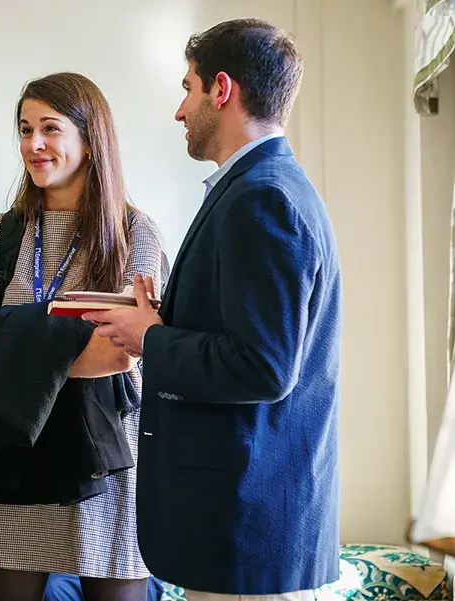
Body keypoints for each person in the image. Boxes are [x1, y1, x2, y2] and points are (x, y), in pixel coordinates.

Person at [84, 19, 341, 601]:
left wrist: (150, 338)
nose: (180, 111)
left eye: (188, 88)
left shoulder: (263, 198)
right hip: (243, 528)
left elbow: (263, 367)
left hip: (247, 532)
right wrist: (161, 321)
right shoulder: (260, 187)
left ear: (221, 90)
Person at [0, 72, 165, 601]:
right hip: (16, 455)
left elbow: (120, 352)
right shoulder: (0, 235)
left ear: (90, 140)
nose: (33, 144)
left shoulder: (133, 233)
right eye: (25, 130)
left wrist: (7, 338)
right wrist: (69, 334)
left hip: (107, 463)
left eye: (50, 128)